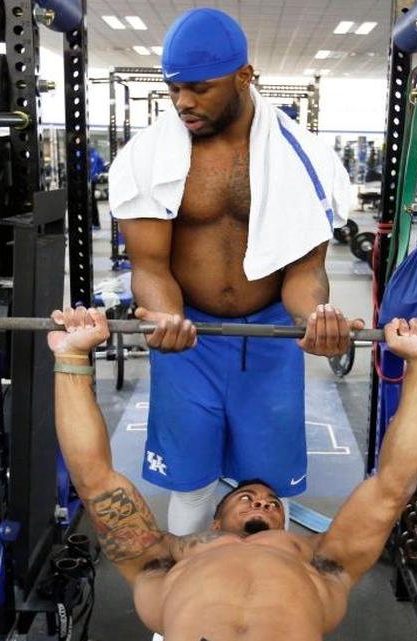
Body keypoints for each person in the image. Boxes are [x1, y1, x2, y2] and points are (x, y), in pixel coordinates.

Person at [107, 8, 357, 536]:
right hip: (188, 340)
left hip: (266, 338)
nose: (183, 103)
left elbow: (304, 271)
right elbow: (150, 266)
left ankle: (270, 596)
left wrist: (318, 319)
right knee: (191, 483)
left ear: (246, 75)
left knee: (264, 490)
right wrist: (166, 318)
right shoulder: (145, 160)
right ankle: (178, 611)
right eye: (174, 89)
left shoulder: (304, 159)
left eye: (199, 88)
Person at [49, 307, 417, 640]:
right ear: (214, 520)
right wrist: (70, 356)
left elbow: (392, 488)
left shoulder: (323, 561)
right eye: (250, 499)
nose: (262, 502)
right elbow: (94, 478)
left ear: (286, 523)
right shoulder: (163, 558)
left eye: (272, 504)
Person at [88, 145, 106, 229]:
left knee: (92, 201)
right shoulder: (87, 154)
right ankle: (93, 223)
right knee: (87, 202)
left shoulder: (94, 154)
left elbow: (101, 165)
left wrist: (96, 174)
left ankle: (95, 223)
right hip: (85, 180)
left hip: (91, 180)